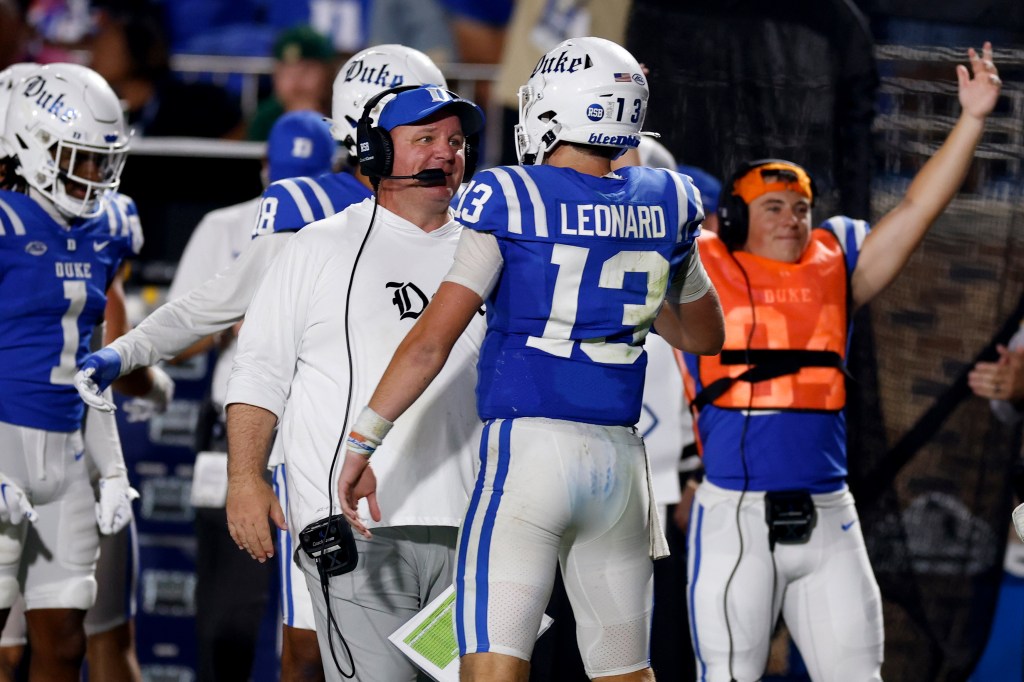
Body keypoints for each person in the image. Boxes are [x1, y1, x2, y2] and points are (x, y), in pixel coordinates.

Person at [337, 36, 725, 682]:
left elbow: (431, 342)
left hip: (530, 457)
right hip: (620, 468)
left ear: (553, 107)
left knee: (491, 667)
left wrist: (361, 442)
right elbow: (704, 336)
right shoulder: (670, 200)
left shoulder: (511, 195)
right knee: (625, 671)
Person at [71, 44, 454, 681]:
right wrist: (123, 352)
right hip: (332, 475)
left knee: (449, 659)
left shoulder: (476, 216)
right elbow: (210, 306)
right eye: (421, 128)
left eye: (446, 129)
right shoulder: (308, 217)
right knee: (310, 650)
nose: (442, 147)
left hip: (446, 469)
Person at [680, 43, 1002, 682]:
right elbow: (634, 205)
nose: (794, 219)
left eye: (802, 207)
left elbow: (915, 209)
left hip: (830, 511)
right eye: (775, 206)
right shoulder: (701, 268)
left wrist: (971, 120)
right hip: (738, 515)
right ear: (738, 216)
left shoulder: (836, 264)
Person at [225, 84, 486, 681]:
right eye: (424, 140)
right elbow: (259, 370)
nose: (446, 154)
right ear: (374, 153)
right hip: (355, 529)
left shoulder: (492, 249)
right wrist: (245, 477)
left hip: (470, 531)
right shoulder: (317, 247)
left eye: (455, 141)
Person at [168, 109, 336, 682]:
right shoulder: (224, 226)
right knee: (228, 622)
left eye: (306, 173)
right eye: (284, 173)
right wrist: (238, 320)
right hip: (240, 436)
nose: (290, 186)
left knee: (319, 629)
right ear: (264, 167)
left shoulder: (352, 224)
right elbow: (177, 341)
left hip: (318, 435)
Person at [0, 61, 147, 682]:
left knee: (64, 642)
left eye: (100, 161)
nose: (93, 177)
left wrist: (110, 468)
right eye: (77, 157)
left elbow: (88, 362)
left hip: (67, 450)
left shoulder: (109, 228)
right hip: (5, 443)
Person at [247, 25, 334, 142]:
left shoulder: (346, 114)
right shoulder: (265, 119)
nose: (296, 81)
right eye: (286, 72)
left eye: (307, 70)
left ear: (327, 74)